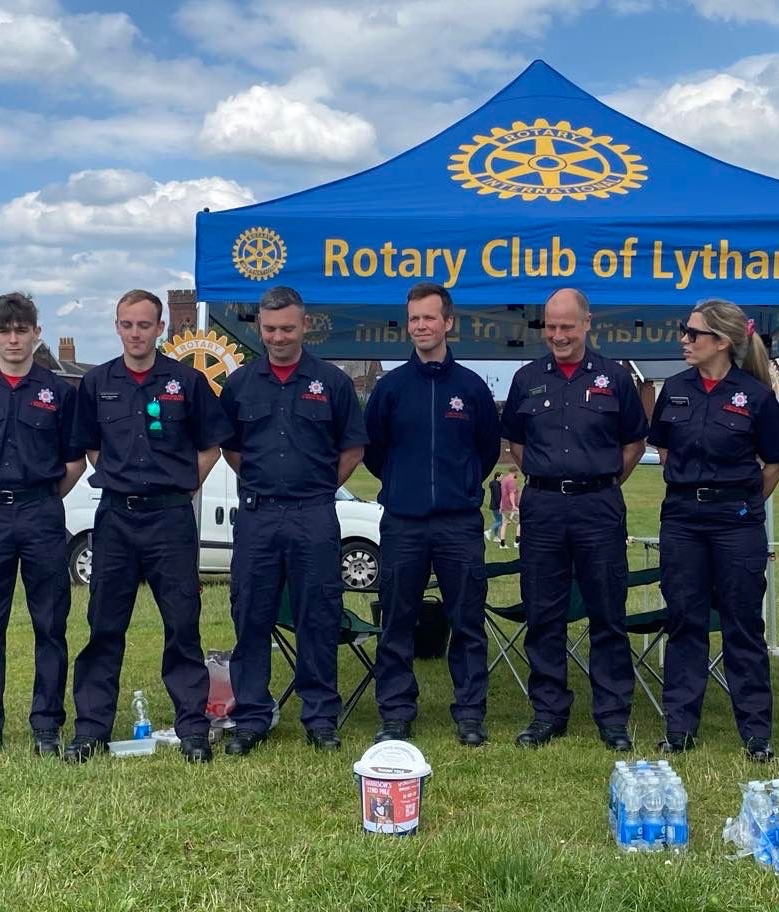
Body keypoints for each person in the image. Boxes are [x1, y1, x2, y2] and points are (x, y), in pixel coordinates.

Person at [69, 289, 231, 763]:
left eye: (145, 324)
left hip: (170, 518)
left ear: (160, 328)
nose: (136, 333)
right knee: (103, 626)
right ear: (117, 327)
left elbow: (211, 448)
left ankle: (193, 729)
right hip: (117, 518)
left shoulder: (187, 381)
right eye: (127, 324)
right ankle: (91, 728)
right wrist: (124, 481)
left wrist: (179, 488)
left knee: (182, 625)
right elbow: (91, 448)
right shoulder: (97, 383)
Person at [500, 287, 649, 751]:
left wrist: (596, 484)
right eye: (551, 326)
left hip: (598, 506)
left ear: (587, 323)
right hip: (543, 507)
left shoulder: (614, 378)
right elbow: (517, 447)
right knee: (544, 613)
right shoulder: (526, 379)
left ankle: (612, 716)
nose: (558, 335)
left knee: (607, 611)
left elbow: (633, 445)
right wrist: (553, 482)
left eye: (567, 325)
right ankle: (548, 712)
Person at [220, 285, 366, 754]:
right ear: (258, 328)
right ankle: (251, 717)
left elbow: (352, 448)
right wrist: (268, 488)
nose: (278, 337)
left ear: (305, 326)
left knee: (318, 617)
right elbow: (232, 448)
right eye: (269, 329)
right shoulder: (241, 383)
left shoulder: (333, 383)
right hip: (259, 517)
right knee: (251, 616)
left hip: (313, 516)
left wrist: (316, 488)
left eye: (287, 328)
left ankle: (320, 717)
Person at [0, 292, 85, 761]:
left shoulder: (59, 391)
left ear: (36, 333)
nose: (13, 339)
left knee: (50, 622)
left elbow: (74, 460)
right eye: (4, 330)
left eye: (21, 330)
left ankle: (47, 724)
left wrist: (40, 499)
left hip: (42, 513)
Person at [362, 282, 503, 747]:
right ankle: (396, 712)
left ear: (448, 323)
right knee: (397, 620)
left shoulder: (472, 388)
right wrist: (404, 486)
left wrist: (458, 485)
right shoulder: (390, 389)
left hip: (458, 523)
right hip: (403, 522)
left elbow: (485, 452)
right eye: (414, 318)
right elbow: (375, 452)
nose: (421, 326)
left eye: (429, 317)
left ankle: (469, 713)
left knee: (466, 621)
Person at [650, 299, 779, 758]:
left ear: (723, 342)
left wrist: (744, 502)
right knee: (684, 621)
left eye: (693, 333)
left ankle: (755, 734)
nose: (684, 340)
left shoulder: (757, 395)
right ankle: (680, 729)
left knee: (742, 625)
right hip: (684, 519)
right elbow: (667, 453)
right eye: (684, 330)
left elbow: (774, 462)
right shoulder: (674, 389)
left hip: (735, 522)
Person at [499, 468, 520, 548]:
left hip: (503, 505)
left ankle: (502, 544)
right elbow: (512, 494)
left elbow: (503, 493)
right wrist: (514, 505)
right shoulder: (512, 481)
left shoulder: (504, 480)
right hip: (510, 507)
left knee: (504, 524)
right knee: (520, 522)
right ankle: (517, 542)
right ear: (515, 472)